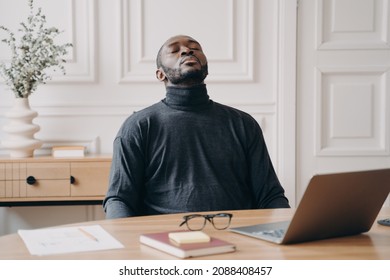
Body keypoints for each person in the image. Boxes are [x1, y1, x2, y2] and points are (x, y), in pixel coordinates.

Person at [103, 35, 290, 219]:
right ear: (160, 74)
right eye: (175, 50)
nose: (187, 50)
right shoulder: (139, 126)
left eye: (195, 48)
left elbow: (270, 196)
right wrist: (129, 245)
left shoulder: (243, 123)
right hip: (163, 240)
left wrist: (285, 234)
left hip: (238, 236)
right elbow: (119, 199)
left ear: (206, 68)